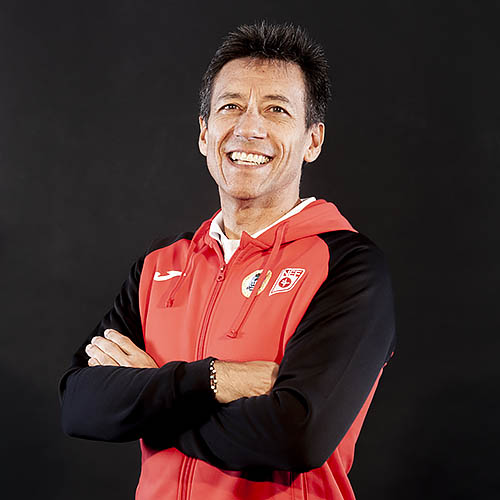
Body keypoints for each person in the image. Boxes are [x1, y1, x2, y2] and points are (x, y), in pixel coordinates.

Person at [59, 21, 396, 500]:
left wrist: (149, 394)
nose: (249, 128)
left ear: (313, 140)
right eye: (231, 106)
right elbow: (79, 405)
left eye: (276, 109)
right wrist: (216, 380)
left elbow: (295, 436)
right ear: (204, 133)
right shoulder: (159, 265)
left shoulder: (348, 266)